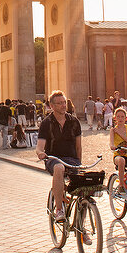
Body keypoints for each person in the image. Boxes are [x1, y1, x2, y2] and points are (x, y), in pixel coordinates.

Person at [35, 90, 83, 221]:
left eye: (64, 102)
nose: (63, 105)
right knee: (59, 168)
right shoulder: (46, 123)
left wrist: (79, 165)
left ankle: (82, 227)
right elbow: (39, 146)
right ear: (52, 106)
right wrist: (40, 153)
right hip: (53, 159)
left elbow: (79, 147)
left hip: (71, 158)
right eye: (59, 103)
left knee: (83, 191)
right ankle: (59, 209)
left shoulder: (74, 122)